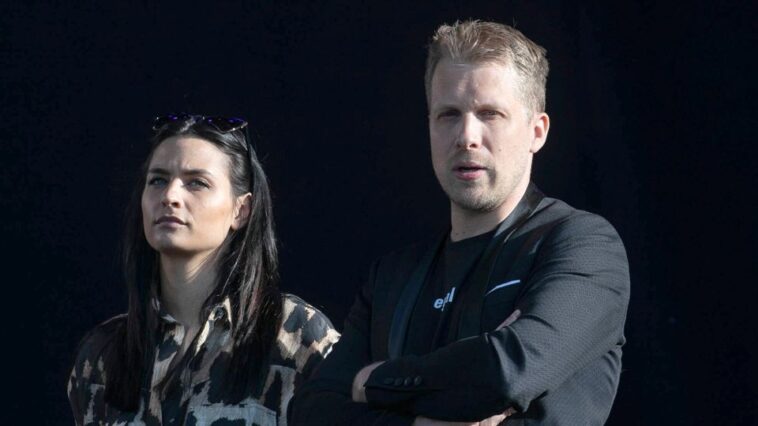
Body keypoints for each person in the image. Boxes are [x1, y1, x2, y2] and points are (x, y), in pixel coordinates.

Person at [290, 20, 630, 425]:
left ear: (536, 132)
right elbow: (311, 411)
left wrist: (375, 382)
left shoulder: (581, 246)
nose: (467, 136)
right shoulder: (392, 278)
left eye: (490, 114)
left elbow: (505, 373)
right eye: (449, 114)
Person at [67, 114, 340, 425]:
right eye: (158, 180)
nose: (170, 196)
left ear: (241, 210)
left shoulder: (296, 337)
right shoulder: (102, 354)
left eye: (197, 182)